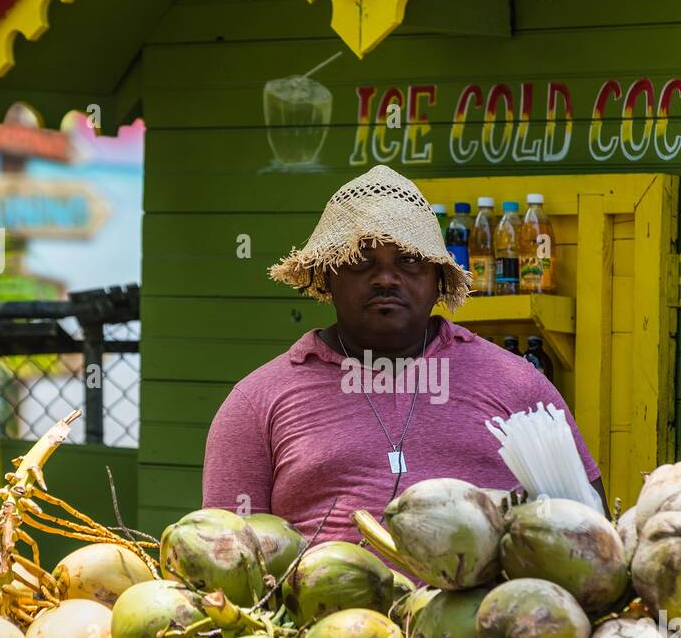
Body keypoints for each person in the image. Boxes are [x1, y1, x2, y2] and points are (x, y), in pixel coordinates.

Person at [201, 165, 605, 541]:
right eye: (361, 261)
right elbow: (226, 555)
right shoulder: (258, 403)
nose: (386, 279)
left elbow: (589, 533)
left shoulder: (516, 385)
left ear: (437, 279)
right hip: (322, 615)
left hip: (490, 616)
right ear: (328, 275)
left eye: (410, 261)